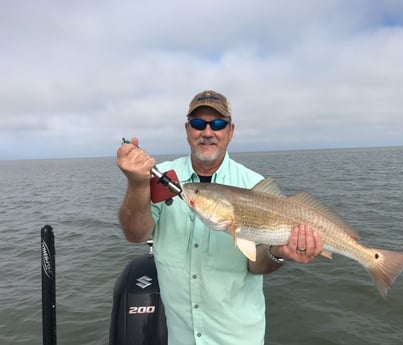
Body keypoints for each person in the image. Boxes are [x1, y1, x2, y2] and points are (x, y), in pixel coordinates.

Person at [117, 90, 323, 345]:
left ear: (230, 131)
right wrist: (137, 184)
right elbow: (135, 234)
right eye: (197, 123)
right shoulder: (165, 178)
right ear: (187, 129)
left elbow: (254, 264)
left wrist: (279, 252)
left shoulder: (253, 185)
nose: (207, 132)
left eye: (217, 124)